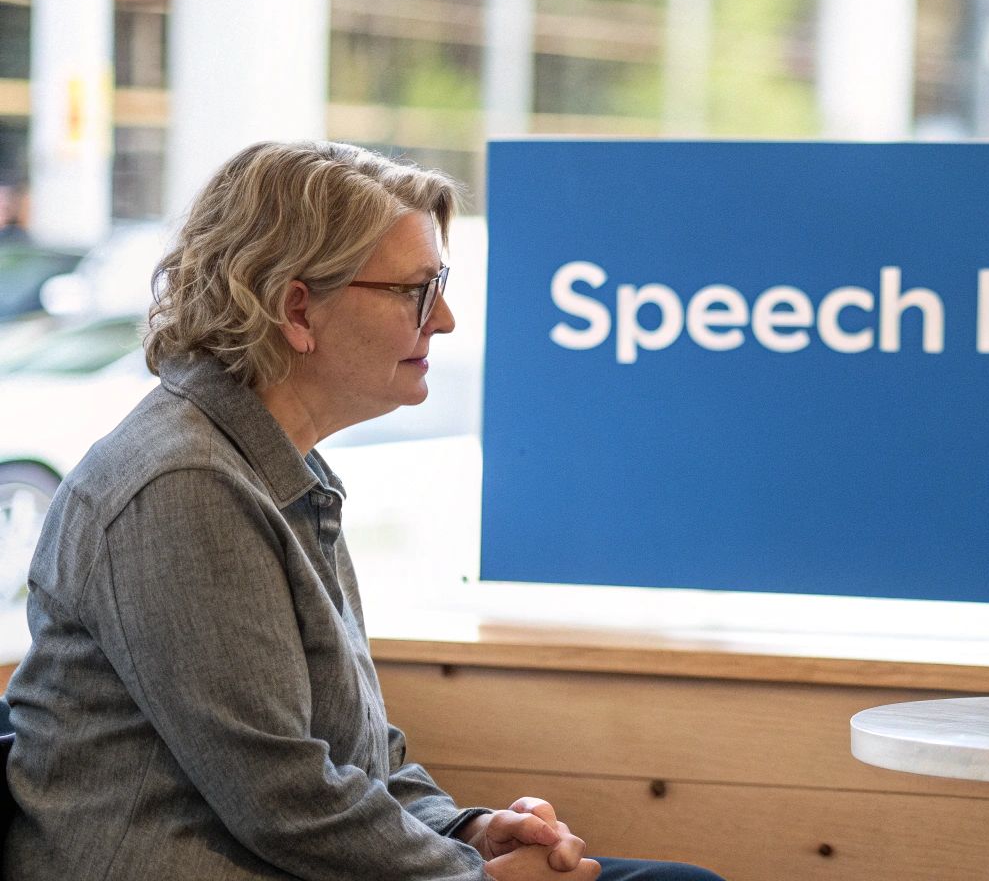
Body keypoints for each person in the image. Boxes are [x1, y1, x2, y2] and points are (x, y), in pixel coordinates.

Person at [3, 141, 723, 881]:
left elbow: (351, 755)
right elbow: (284, 799)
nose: (442, 319)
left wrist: (469, 830)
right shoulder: (183, 486)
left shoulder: (271, 463)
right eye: (415, 290)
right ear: (296, 308)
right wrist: (467, 877)